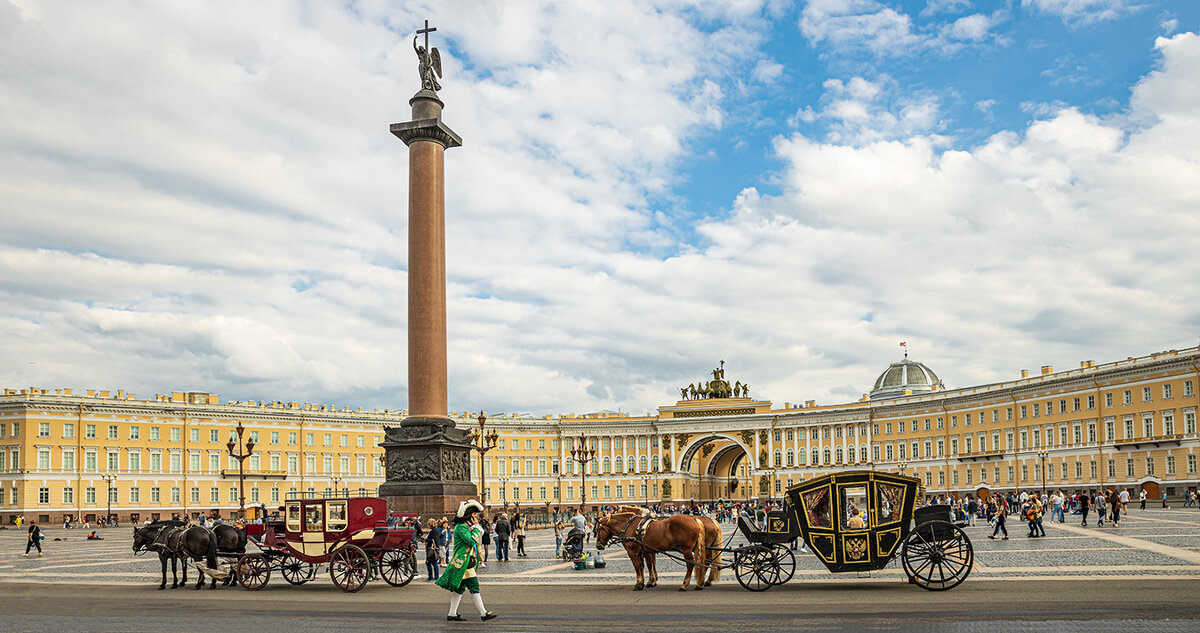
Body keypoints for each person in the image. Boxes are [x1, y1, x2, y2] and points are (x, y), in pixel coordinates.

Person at [435, 500, 497, 622]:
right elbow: (472, 541)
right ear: (471, 515)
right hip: (463, 563)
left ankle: (452, 614)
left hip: (464, 562)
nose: (477, 518)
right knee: (474, 587)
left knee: (459, 589)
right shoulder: (461, 527)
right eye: (476, 515)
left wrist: (476, 527)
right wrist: (477, 527)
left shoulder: (464, 527)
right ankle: (484, 613)